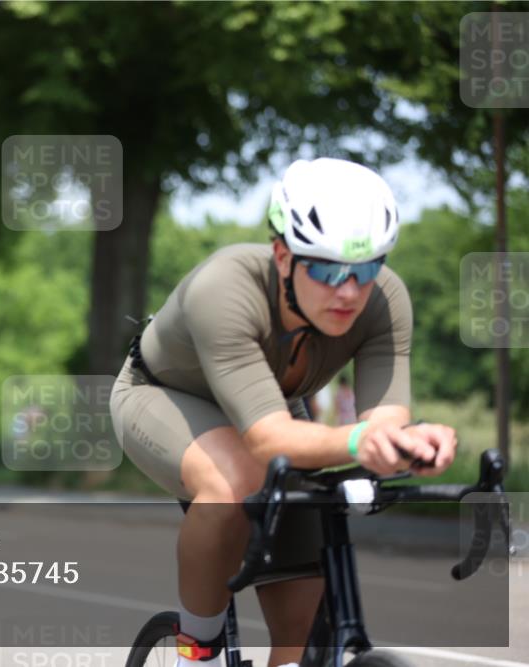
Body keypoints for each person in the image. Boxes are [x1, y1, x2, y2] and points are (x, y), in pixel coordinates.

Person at [109, 158, 457, 667]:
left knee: (304, 632)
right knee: (235, 482)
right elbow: (269, 439)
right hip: (164, 394)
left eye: (366, 269)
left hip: (271, 406)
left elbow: (384, 421)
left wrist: (410, 445)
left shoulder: (385, 301)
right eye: (326, 270)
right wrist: (361, 441)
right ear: (282, 255)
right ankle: (197, 652)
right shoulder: (224, 287)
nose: (348, 291)